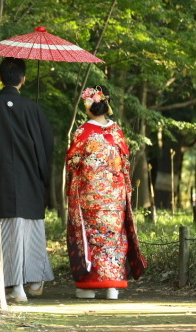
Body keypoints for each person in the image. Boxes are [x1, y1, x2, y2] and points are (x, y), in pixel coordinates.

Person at [0, 57, 56, 303]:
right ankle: (35, 279)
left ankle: (16, 286)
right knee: (31, 231)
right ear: (23, 79)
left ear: (0, 78)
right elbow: (47, 144)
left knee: (7, 232)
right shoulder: (33, 108)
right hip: (30, 179)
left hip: (1, 179)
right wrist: (40, 171)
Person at [66, 86, 146, 300]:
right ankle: (112, 287)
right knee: (113, 237)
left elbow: (73, 162)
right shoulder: (117, 131)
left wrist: (73, 186)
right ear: (105, 105)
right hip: (114, 195)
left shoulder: (83, 132)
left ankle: (89, 287)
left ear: (89, 107)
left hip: (90, 194)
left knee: (90, 238)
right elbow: (126, 163)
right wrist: (124, 188)